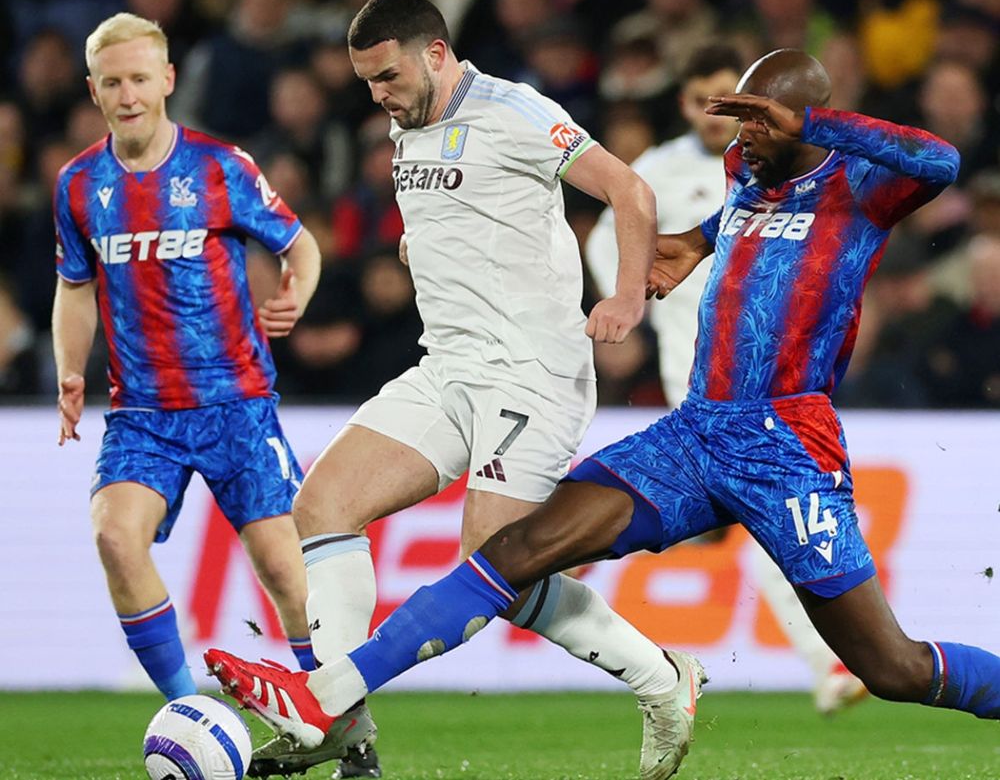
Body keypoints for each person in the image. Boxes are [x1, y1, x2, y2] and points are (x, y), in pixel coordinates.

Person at [205, 48, 1000, 778]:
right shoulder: (744, 171)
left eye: (760, 120)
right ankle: (326, 697)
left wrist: (813, 123)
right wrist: (696, 238)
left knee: (890, 667)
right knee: (517, 550)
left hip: (786, 442)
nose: (740, 136)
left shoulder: (862, 188)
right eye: (741, 120)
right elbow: (751, 220)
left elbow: (944, 159)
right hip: (697, 432)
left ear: (798, 121)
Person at [226, 0, 705, 780]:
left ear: (436, 54)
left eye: (387, 77)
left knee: (497, 570)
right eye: (368, 82)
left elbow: (631, 190)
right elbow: (463, 217)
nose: (378, 96)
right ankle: (346, 729)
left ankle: (662, 675)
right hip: (448, 366)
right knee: (320, 507)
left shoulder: (516, 109)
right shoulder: (407, 124)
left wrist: (624, 296)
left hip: (534, 371)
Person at [586, 43, 867, 715]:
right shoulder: (654, 170)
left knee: (685, 520)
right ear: (685, 104)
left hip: (774, 380)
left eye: (729, 97)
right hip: (704, 387)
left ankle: (554, 570)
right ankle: (828, 662)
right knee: (766, 516)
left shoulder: (766, 165)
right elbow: (605, 241)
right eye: (702, 98)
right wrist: (628, 298)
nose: (717, 115)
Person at [53, 13, 322, 710]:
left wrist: (297, 293)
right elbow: (74, 288)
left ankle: (342, 714)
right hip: (142, 413)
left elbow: (301, 245)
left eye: (141, 77)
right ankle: (189, 707)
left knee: (283, 569)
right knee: (115, 535)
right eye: (112, 82)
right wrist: (70, 367)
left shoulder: (220, 167)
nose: (129, 93)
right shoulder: (78, 185)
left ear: (167, 79)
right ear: (94, 90)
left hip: (236, 401)